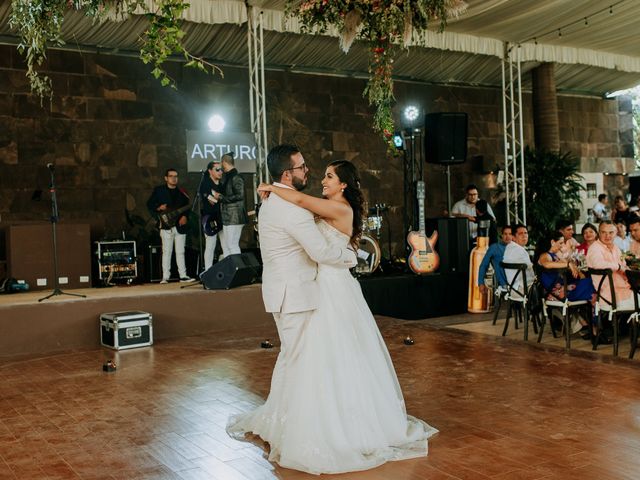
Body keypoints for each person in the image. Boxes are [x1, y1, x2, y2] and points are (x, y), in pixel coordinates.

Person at [227, 145, 437, 474]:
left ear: (343, 185)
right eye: (307, 168)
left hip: (328, 287)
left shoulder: (331, 209)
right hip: (312, 287)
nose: (315, 176)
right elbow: (307, 226)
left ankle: (328, 421)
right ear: (287, 173)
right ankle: (306, 418)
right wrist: (276, 192)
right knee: (315, 356)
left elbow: (302, 206)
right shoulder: (312, 206)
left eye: (327, 175)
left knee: (327, 355)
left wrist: (273, 189)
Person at [536, 231, 596, 339]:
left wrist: (572, 265)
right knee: (593, 288)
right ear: (552, 242)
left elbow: (573, 267)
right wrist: (568, 264)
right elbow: (547, 264)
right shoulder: (545, 256)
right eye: (560, 243)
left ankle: (592, 326)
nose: (562, 246)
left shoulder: (556, 255)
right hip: (555, 293)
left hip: (564, 289)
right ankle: (595, 327)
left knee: (591, 285)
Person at [146, 168, 193, 283]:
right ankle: (165, 277)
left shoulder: (182, 192)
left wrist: (185, 216)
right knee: (167, 251)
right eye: (171, 176)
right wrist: (158, 208)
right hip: (166, 225)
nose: (174, 178)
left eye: (176, 176)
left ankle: (183, 275)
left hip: (179, 226)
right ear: (166, 178)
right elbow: (149, 204)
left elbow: (187, 206)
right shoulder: (159, 190)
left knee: (180, 251)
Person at [586, 221, 636, 310]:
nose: (607, 236)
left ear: (616, 233)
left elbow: (624, 266)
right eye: (603, 232)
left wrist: (626, 268)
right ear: (598, 233)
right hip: (610, 297)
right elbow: (598, 264)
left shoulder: (615, 248)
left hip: (625, 291)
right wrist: (618, 267)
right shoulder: (595, 248)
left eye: (611, 232)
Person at [218, 152, 248, 258]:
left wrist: (221, 197)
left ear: (224, 162)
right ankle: (229, 272)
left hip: (234, 217)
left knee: (232, 245)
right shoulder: (228, 177)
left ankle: (237, 271)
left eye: (221, 163)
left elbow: (240, 195)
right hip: (228, 216)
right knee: (227, 246)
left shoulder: (236, 177)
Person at [199, 161, 224, 271]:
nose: (220, 172)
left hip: (222, 218)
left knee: (226, 244)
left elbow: (220, 199)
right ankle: (208, 271)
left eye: (221, 169)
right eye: (217, 170)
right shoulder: (205, 184)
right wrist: (214, 197)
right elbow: (212, 200)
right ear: (210, 171)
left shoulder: (222, 184)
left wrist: (217, 196)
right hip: (210, 219)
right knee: (210, 245)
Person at [478, 225, 512, 296]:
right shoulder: (494, 247)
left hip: (518, 281)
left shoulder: (516, 248)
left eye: (510, 234)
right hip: (504, 283)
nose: (507, 236)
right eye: (505, 234)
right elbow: (483, 265)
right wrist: (481, 283)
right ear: (502, 235)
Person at [502, 224, 534, 292]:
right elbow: (532, 273)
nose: (524, 235)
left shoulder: (509, 248)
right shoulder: (520, 250)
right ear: (513, 237)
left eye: (526, 233)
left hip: (512, 289)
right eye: (520, 233)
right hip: (523, 290)